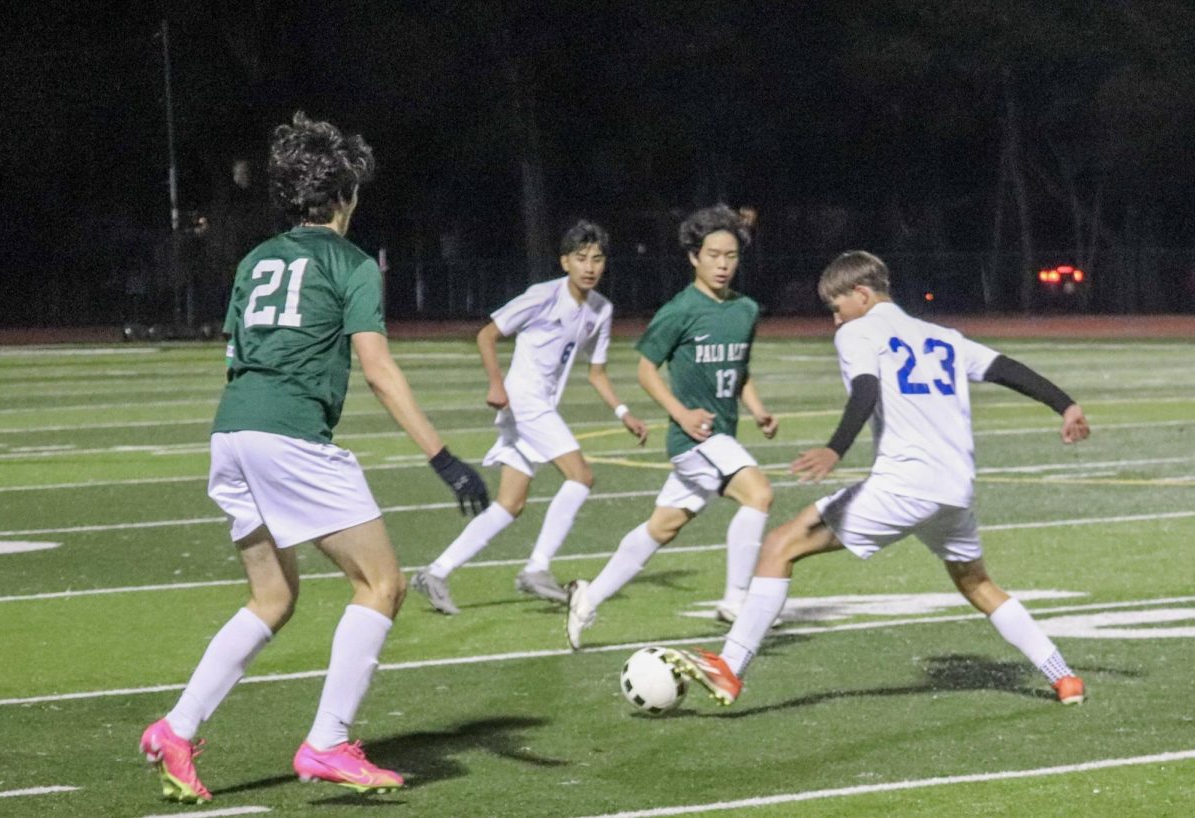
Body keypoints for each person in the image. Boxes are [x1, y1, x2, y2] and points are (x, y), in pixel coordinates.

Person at [138, 112, 490, 804]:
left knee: (273, 597)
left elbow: (236, 350)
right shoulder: (352, 264)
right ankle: (328, 742)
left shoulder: (253, 260)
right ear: (343, 194)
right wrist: (444, 457)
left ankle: (175, 731)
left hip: (232, 431)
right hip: (289, 435)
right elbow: (380, 370)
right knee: (381, 584)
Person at [664, 250, 1090, 707]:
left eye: (835, 307)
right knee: (976, 583)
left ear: (862, 295)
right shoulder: (941, 336)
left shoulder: (859, 331)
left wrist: (835, 448)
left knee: (780, 545)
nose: (835, 320)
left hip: (905, 484)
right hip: (955, 488)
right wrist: (1066, 405)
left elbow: (866, 389)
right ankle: (1063, 676)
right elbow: (1006, 369)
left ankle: (730, 667)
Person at [566, 204, 778, 649]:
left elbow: (738, 371)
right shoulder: (679, 310)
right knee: (759, 494)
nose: (722, 264)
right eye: (714, 255)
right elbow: (646, 370)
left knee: (662, 527)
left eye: (731, 256)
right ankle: (736, 600)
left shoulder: (746, 310)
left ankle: (589, 597)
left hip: (721, 437)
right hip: (694, 439)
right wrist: (680, 414)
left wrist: (757, 409)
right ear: (693, 257)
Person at [411, 220, 649, 614]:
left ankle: (435, 572)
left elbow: (597, 372)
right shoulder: (543, 295)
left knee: (510, 503)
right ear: (564, 261)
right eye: (580, 258)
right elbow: (486, 334)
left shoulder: (601, 310)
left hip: (538, 406)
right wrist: (495, 384)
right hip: (523, 401)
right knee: (581, 476)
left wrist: (623, 412)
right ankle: (537, 568)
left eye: (597, 259)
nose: (589, 266)